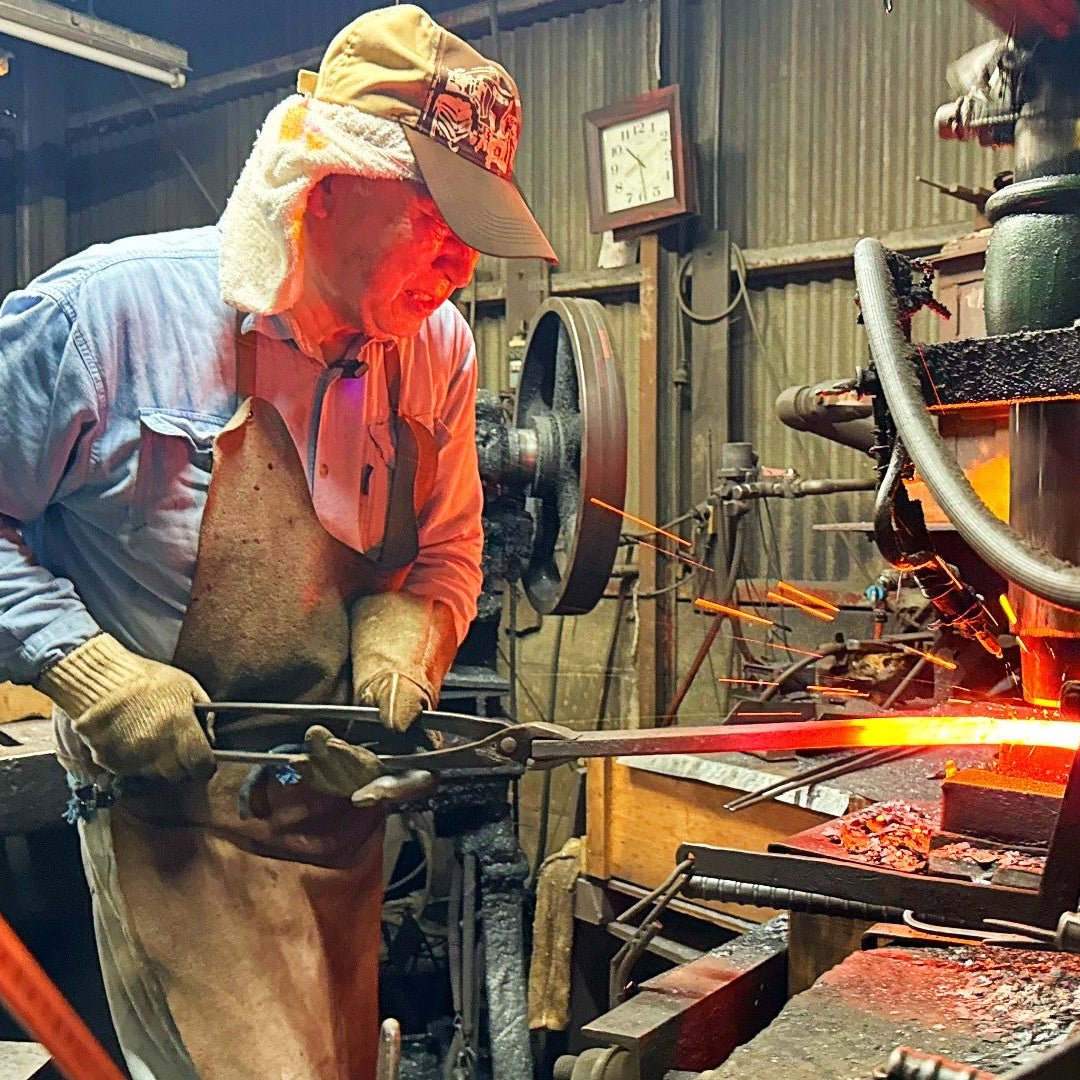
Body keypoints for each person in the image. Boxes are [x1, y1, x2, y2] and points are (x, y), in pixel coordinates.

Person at [0, 6, 556, 1077]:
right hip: (170, 814)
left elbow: (446, 552)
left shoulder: (433, 348)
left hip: (334, 812)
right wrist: (87, 667)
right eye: (433, 219)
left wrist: (412, 632)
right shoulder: (102, 321)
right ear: (329, 182)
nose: (457, 263)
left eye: (471, 233)